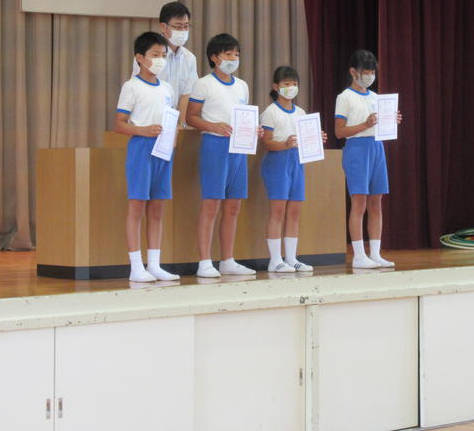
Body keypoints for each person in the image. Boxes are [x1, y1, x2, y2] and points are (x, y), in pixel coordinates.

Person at [186, 33, 262, 278]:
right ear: (214, 57)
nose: (233, 58)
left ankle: (227, 259)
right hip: (214, 146)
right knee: (211, 205)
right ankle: (204, 262)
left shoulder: (242, 86)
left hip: (238, 148)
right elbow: (191, 117)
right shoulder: (203, 84)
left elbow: (243, 116)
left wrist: (254, 130)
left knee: (233, 206)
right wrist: (213, 126)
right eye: (228, 54)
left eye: (236, 54)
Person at [115, 31, 180, 283]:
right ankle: (136, 266)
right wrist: (143, 130)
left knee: (157, 208)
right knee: (137, 206)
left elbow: (170, 118)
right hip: (141, 147)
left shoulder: (167, 88)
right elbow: (120, 124)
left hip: (163, 150)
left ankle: (154, 265)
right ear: (140, 58)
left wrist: (172, 136)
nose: (160, 60)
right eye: (155, 55)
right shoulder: (131, 86)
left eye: (163, 55)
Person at [334, 49, 402, 269]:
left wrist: (391, 120)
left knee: (376, 202)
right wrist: (365, 124)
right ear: (353, 72)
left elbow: (379, 125)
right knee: (359, 203)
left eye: (372, 72)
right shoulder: (345, 97)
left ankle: (375, 253)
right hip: (356, 148)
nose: (370, 76)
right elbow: (339, 132)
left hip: (376, 147)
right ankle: (359, 255)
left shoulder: (375, 98)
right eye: (365, 72)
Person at [260, 66, 326, 273]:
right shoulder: (270, 112)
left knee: (295, 211)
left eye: (294, 84)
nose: (291, 87)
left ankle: (291, 258)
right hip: (277, 162)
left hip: (297, 162)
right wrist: (285, 144)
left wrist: (317, 139)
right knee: (278, 211)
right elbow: (266, 143)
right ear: (276, 86)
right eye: (286, 84)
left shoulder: (301, 113)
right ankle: (275, 260)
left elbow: (305, 141)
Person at [132, 1, 198, 125]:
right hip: (147, 120)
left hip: (172, 123)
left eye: (186, 26)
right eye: (178, 27)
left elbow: (186, 96)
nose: (183, 31)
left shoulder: (190, 58)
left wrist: (180, 125)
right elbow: (140, 89)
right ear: (163, 27)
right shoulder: (148, 54)